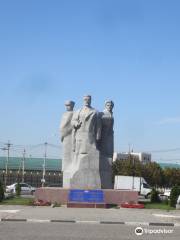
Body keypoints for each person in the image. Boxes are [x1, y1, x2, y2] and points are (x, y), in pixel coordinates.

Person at [70, 95, 101, 189]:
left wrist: (98, 135)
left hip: (90, 136)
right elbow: (73, 121)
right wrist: (75, 123)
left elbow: (99, 125)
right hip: (79, 135)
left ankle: (92, 178)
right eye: (85, 99)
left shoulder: (95, 112)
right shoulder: (78, 111)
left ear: (91, 100)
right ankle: (75, 173)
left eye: (88, 99)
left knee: (91, 155)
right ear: (83, 100)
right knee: (78, 155)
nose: (87, 101)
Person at [60, 100, 75, 188]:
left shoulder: (74, 113)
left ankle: (69, 169)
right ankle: (66, 169)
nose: (67, 107)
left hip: (69, 136)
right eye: (66, 105)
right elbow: (61, 125)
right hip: (65, 136)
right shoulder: (64, 114)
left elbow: (69, 125)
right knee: (65, 156)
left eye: (69, 105)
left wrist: (63, 133)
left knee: (69, 155)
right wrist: (62, 134)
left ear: (72, 105)